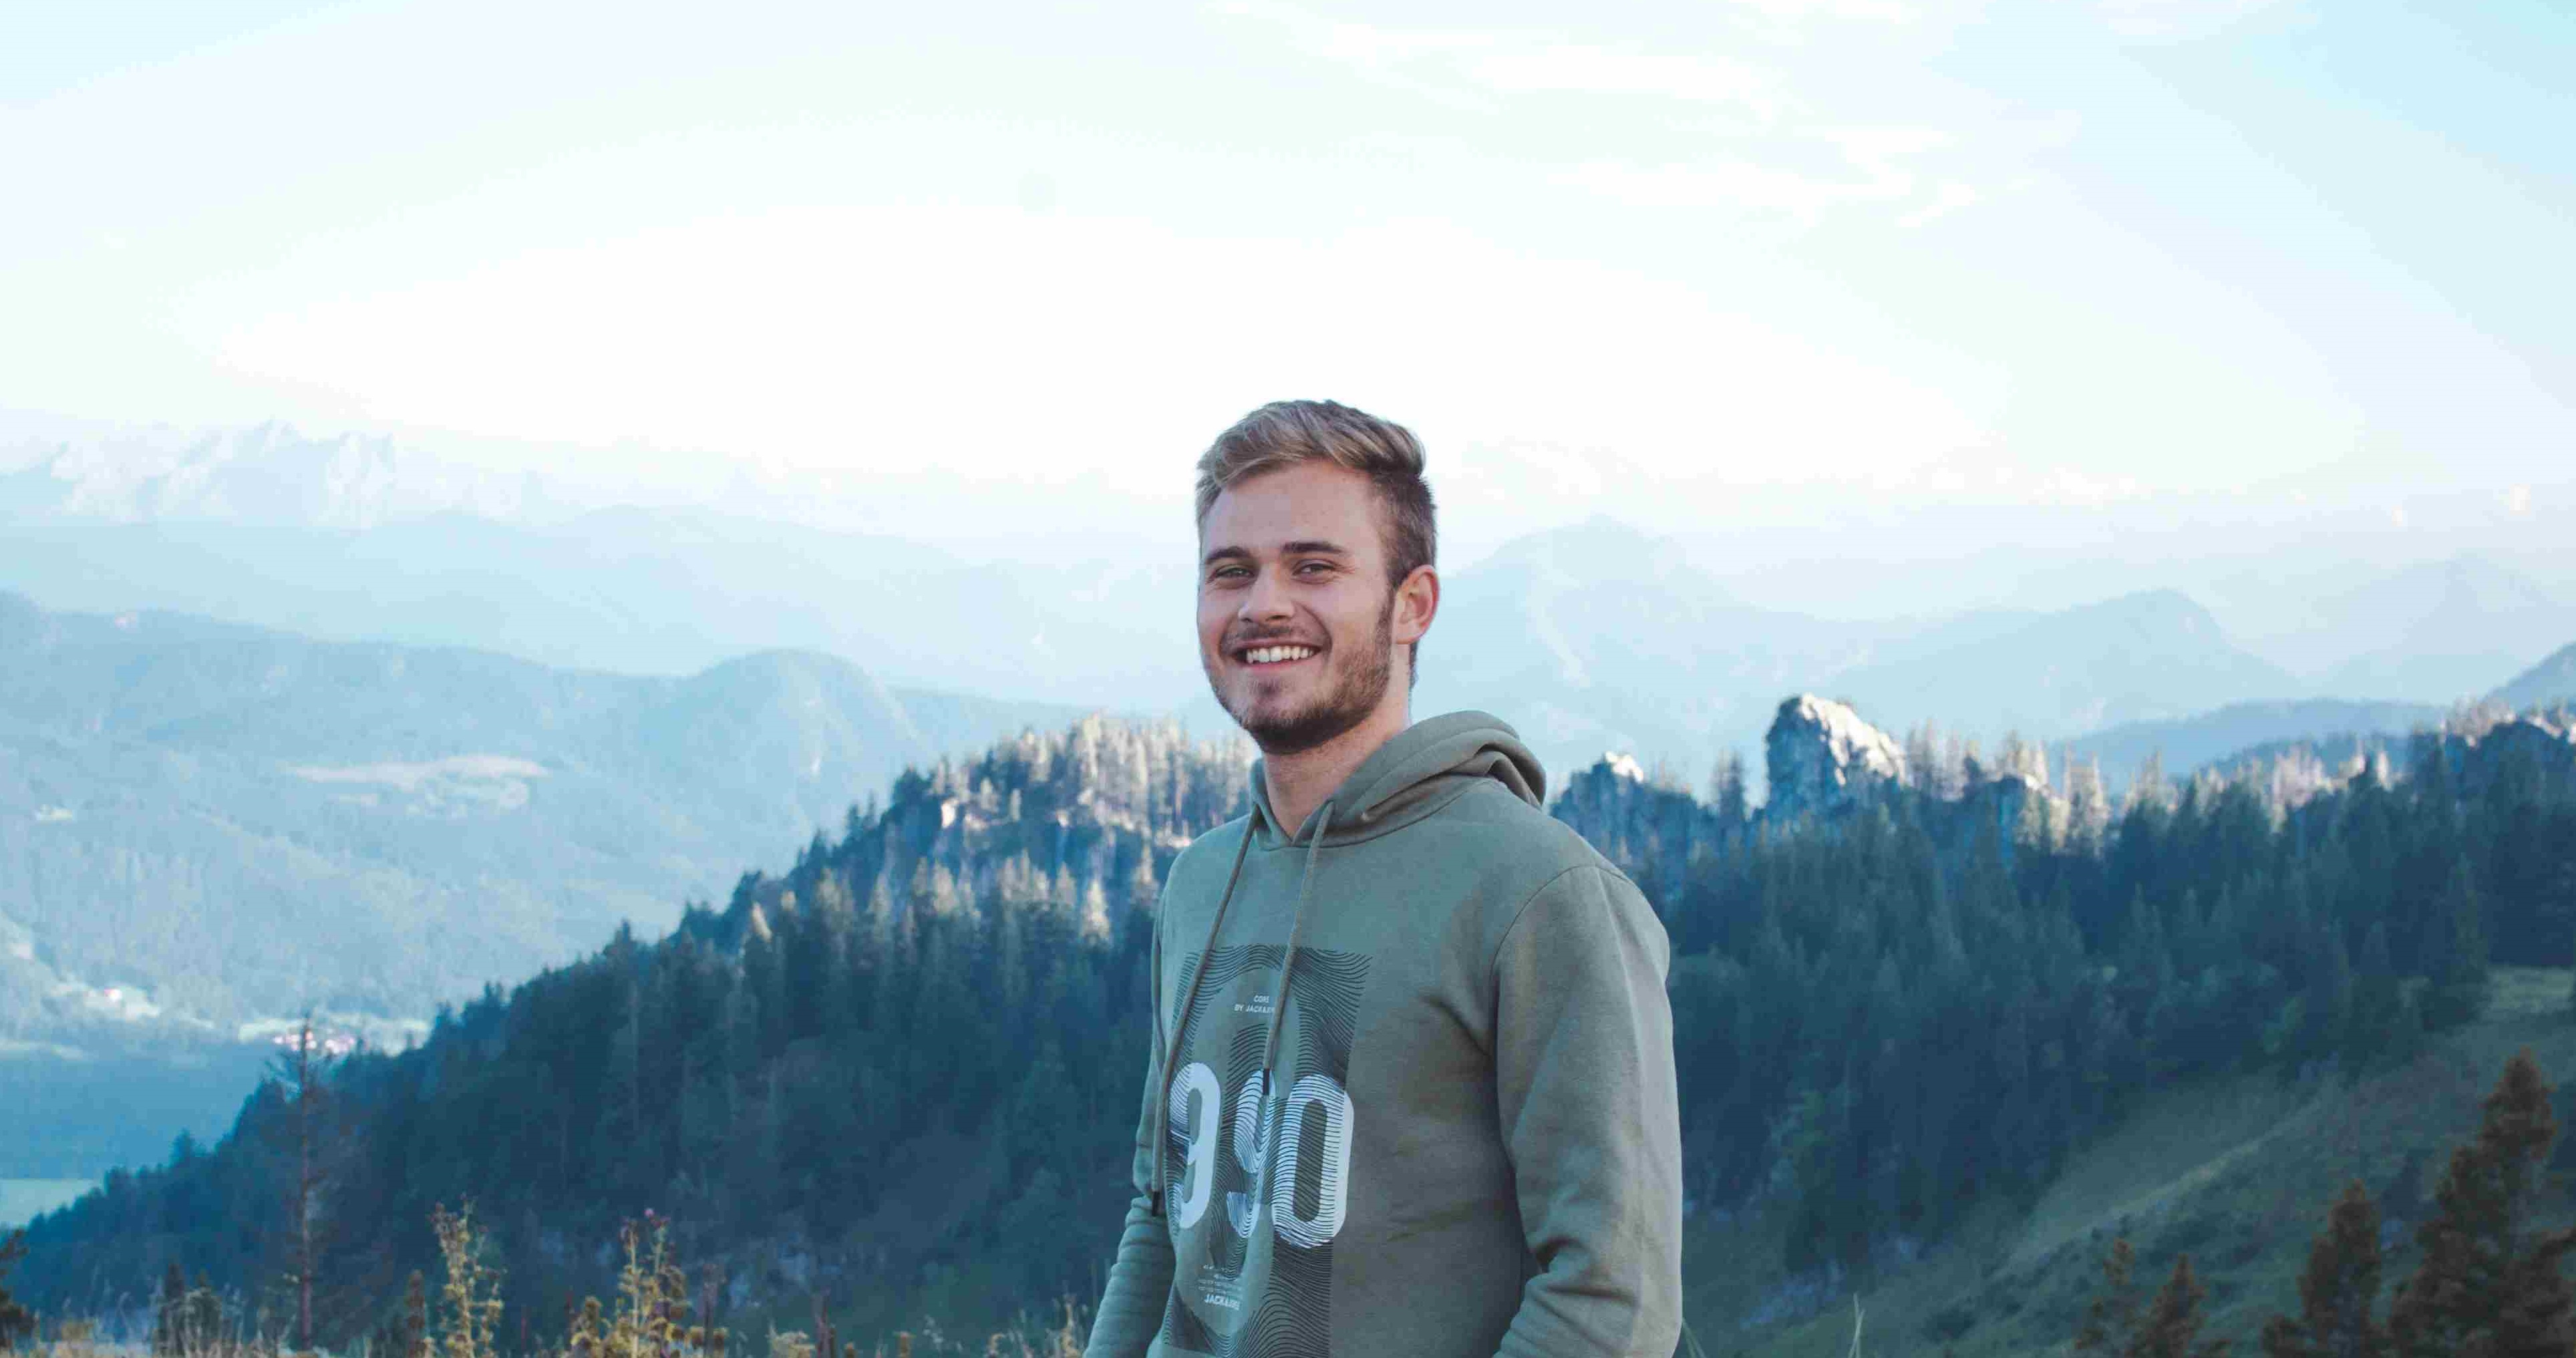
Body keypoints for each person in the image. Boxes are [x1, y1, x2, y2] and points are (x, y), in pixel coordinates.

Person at [1083, 399, 1682, 1357]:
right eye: (1230, 571)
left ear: (1414, 604)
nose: (1262, 604)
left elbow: (1614, 1296)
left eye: (1313, 566)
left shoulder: (1540, 894)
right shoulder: (1200, 884)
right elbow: (1161, 1214)